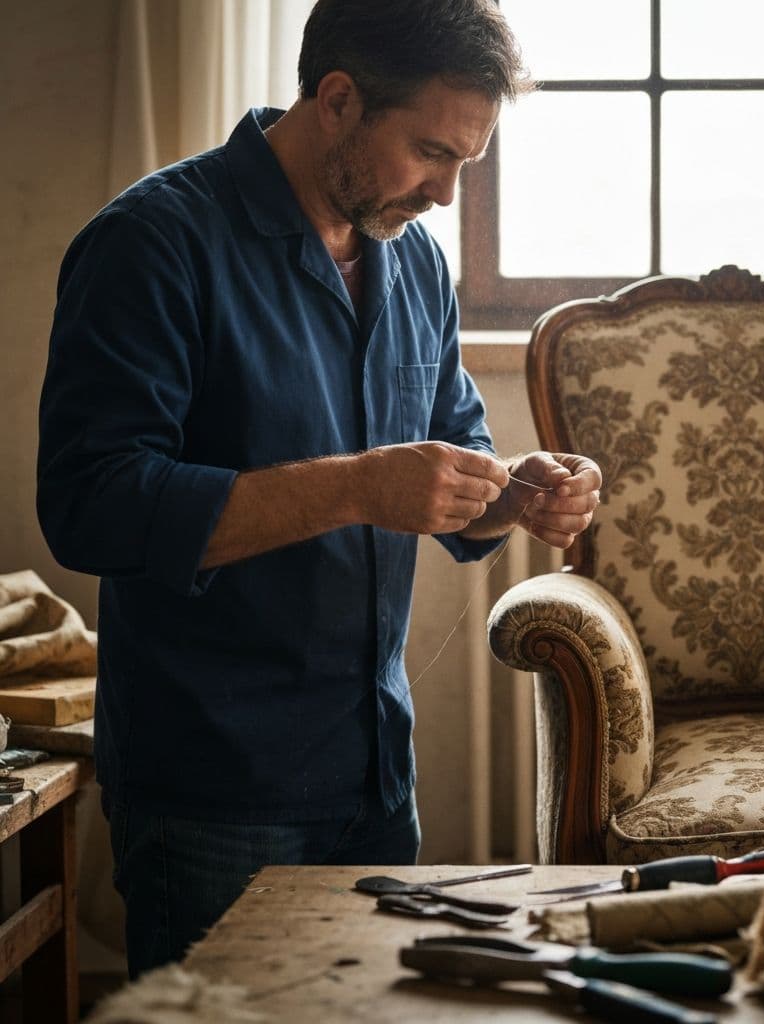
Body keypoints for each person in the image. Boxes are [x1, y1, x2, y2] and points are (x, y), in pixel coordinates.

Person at [37, 0, 600, 977]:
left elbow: (453, 447)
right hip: (211, 788)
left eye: (467, 161)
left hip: (376, 770)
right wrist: (354, 488)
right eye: (431, 151)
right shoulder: (152, 242)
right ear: (336, 99)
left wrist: (516, 492)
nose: (446, 191)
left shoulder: (414, 261)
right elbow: (91, 504)